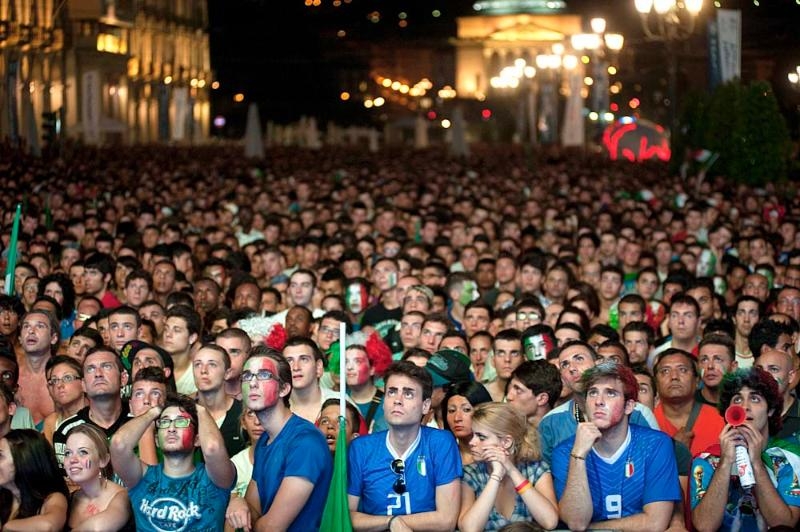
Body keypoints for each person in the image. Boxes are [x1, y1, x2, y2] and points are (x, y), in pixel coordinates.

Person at [552, 362, 681, 531]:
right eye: (593, 393)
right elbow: (576, 523)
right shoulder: (565, 451)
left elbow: (655, 523)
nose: (599, 401)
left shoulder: (656, 445)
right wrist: (579, 455)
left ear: (629, 406)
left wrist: (594, 528)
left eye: (610, 393)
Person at [347, 360, 461, 531]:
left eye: (408, 394)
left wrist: (395, 522)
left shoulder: (441, 442)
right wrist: (390, 522)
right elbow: (347, 516)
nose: (397, 400)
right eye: (392, 392)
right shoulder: (361, 448)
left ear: (425, 406)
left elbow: (447, 520)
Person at [691, 367, 800, 531]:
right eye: (737, 399)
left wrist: (756, 462)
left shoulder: (788, 457)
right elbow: (704, 526)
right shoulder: (706, 459)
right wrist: (726, 462)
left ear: (770, 409)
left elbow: (784, 524)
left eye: (755, 399)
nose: (744, 407)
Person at [111, 393, 236, 532]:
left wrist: (200, 409)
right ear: (157, 440)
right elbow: (118, 444)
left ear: (197, 439)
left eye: (181, 421)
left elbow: (213, 448)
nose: (171, 428)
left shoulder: (214, 479)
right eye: (164, 422)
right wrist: (154, 411)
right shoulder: (142, 478)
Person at [238, 348, 333, 531]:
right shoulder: (265, 439)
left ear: (284, 388)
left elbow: (272, 527)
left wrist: (245, 516)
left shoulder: (306, 441)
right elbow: (251, 509)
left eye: (264, 375)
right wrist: (236, 501)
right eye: (247, 376)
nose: (253, 383)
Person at [458, 402, 559, 531]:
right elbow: (469, 529)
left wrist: (511, 470)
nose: (471, 442)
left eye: (481, 437)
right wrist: (496, 475)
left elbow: (550, 522)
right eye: (472, 435)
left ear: (506, 442)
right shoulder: (471, 473)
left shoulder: (536, 469)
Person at [65, 423, 133, 531]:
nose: (72, 460)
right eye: (68, 453)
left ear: (103, 460)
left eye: (83, 452)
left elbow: (98, 528)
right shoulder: (69, 499)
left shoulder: (122, 496)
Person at [0, 429, 69, 530]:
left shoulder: (53, 498)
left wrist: (8, 527)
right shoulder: (4, 496)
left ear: (23, 459)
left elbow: (49, 526)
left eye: (0, 456)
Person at [441, 380, 493, 466]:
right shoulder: (441, 456)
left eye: (466, 410)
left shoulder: (498, 456)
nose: (457, 418)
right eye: (451, 411)